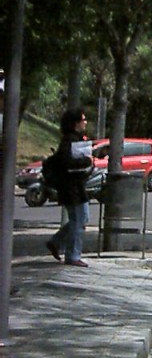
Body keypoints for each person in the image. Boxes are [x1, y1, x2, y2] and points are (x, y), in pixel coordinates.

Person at [45, 108, 94, 267]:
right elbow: (67, 163)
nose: (85, 122)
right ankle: (72, 254)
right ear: (75, 123)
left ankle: (57, 242)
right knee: (79, 219)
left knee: (78, 219)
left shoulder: (73, 139)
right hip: (71, 187)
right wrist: (86, 161)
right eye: (83, 120)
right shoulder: (69, 141)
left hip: (74, 186)